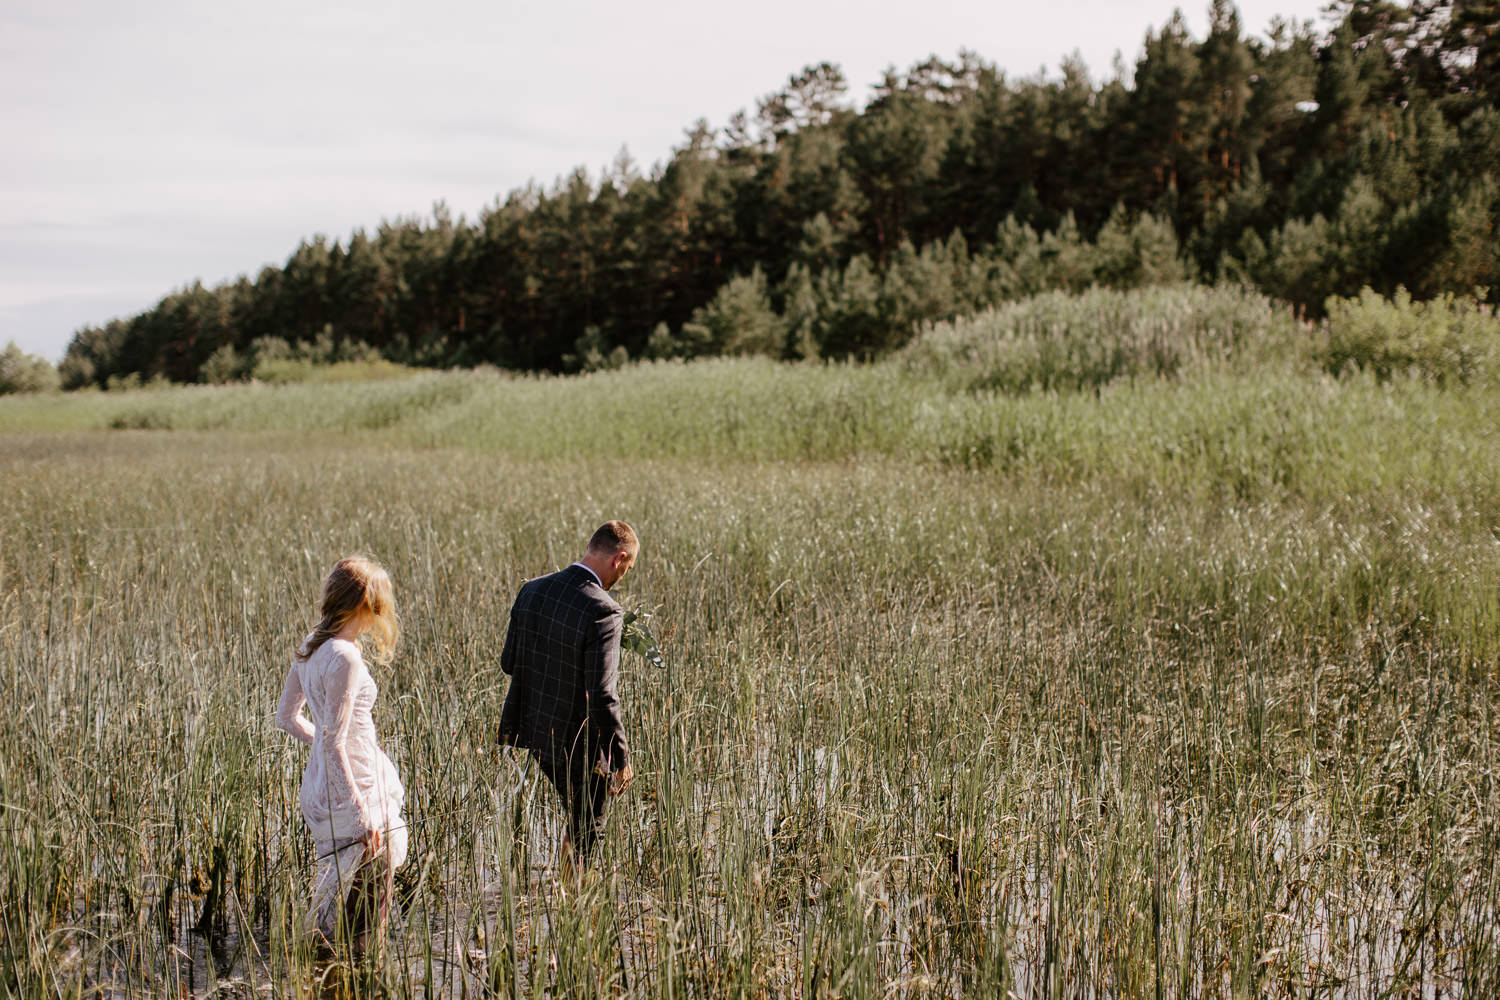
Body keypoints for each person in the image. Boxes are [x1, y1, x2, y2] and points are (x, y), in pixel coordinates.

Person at [276, 556, 409, 959]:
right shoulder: (346, 657)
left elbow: (287, 719)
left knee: (335, 902)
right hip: (357, 789)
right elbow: (335, 741)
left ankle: (322, 975)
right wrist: (362, 812)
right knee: (369, 912)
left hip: (321, 787)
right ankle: (360, 977)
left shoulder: (312, 644)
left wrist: (326, 747)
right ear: (366, 603)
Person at [498, 521, 638, 874]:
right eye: (628, 568)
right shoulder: (604, 610)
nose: (623, 575)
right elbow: (602, 695)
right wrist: (621, 757)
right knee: (588, 828)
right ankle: (571, 908)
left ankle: (565, 895)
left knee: (580, 818)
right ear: (619, 559)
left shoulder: (531, 590)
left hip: (536, 733)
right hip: (578, 742)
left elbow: (509, 662)